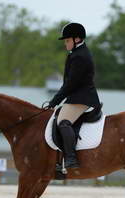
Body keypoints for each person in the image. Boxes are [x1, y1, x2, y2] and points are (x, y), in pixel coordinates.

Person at [44, 22, 100, 169]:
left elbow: (70, 84)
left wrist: (54, 100)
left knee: (63, 121)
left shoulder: (79, 56)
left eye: (67, 40)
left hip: (82, 97)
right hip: (77, 96)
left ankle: (71, 158)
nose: (65, 44)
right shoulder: (77, 54)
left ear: (77, 39)